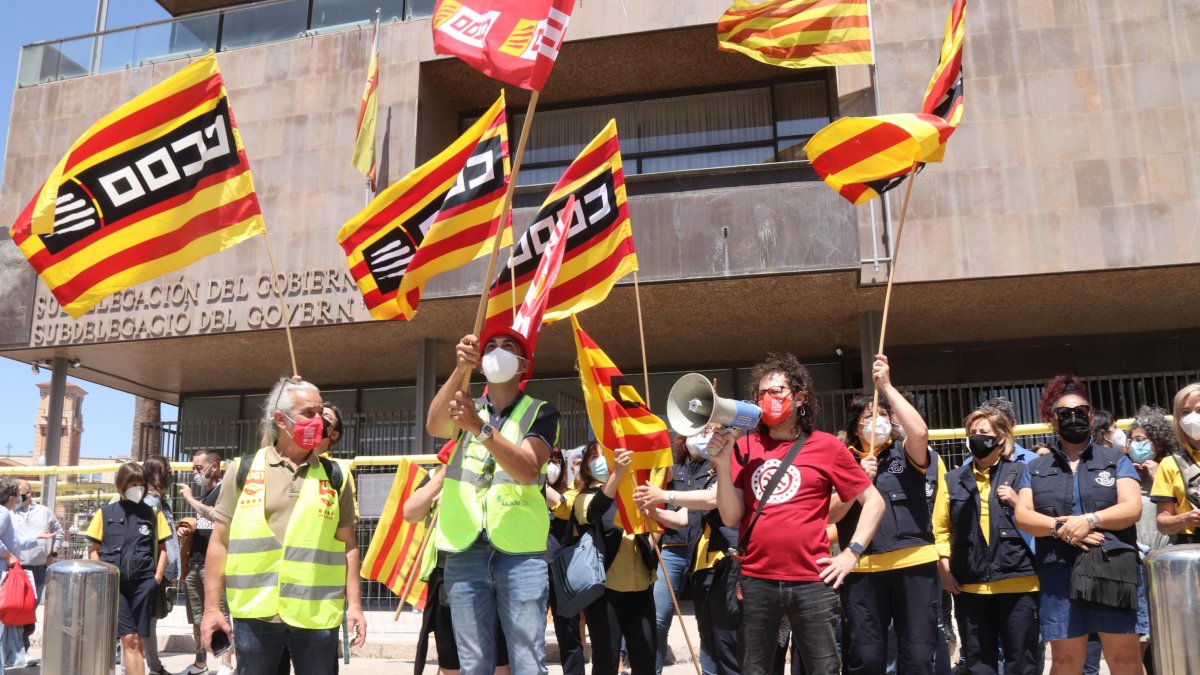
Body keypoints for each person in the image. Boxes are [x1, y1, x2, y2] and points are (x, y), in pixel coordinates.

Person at [709, 352, 885, 675]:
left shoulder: (827, 447)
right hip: (758, 581)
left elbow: (874, 501)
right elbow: (731, 516)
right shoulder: (745, 446)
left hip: (811, 581)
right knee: (756, 670)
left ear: (800, 397)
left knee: (824, 669)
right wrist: (722, 464)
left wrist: (851, 554)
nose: (767, 399)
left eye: (776, 392)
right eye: (761, 393)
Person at [201, 378, 366, 675]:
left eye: (321, 413)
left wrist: (354, 605)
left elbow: (348, 546)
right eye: (309, 413)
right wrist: (212, 609)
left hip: (316, 616)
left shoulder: (337, 475)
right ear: (281, 419)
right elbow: (219, 542)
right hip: (255, 615)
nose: (319, 421)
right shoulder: (243, 469)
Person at [428, 328, 561, 675]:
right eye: (490, 347)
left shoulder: (541, 412)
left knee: (528, 663)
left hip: (520, 555)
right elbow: (434, 424)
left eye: (507, 347)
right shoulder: (465, 407)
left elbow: (528, 469)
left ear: (523, 364)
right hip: (464, 549)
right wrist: (460, 370)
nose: (497, 351)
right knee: (473, 665)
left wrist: (480, 428)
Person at [1013, 375, 1145, 675]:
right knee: (1065, 663)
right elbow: (1023, 515)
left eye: (1080, 412)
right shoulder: (1034, 468)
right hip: (1060, 573)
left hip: (1114, 571)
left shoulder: (1115, 459)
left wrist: (1089, 520)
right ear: (1052, 420)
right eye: (1064, 413)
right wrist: (1061, 529)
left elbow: (1132, 507)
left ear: (1090, 415)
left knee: (1125, 661)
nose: (1073, 418)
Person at [832, 355, 945, 675]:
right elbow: (827, 514)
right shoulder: (840, 461)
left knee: (919, 657)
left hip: (914, 564)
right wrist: (857, 484)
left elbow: (921, 432)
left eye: (883, 415)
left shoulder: (906, 452)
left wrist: (887, 386)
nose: (877, 420)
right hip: (862, 569)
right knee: (865, 659)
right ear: (855, 425)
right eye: (869, 416)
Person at [933, 408, 1039, 675]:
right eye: (972, 433)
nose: (976, 438)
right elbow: (941, 528)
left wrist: (1017, 502)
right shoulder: (953, 479)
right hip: (971, 588)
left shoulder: (1024, 472)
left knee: (1022, 663)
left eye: (984, 433)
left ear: (1001, 438)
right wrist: (943, 567)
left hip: (1019, 584)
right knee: (980, 665)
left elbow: (1044, 520)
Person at [634, 429, 733, 675]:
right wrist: (653, 511)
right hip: (686, 554)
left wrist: (664, 495)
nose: (705, 436)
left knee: (717, 631)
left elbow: (710, 500)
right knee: (672, 622)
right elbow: (681, 517)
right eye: (700, 431)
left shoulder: (721, 469)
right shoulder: (677, 469)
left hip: (717, 558)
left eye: (711, 431)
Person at [573, 444, 658, 675]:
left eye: (606, 455)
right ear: (586, 467)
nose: (601, 460)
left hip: (641, 587)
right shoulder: (584, 497)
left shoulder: (633, 492)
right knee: (606, 662)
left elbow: (656, 518)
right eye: (594, 457)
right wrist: (616, 474)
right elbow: (593, 512)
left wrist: (652, 540)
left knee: (646, 659)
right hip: (604, 593)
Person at [86, 463, 172, 675]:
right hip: (116, 587)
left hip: (144, 585)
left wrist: (157, 578)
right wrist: (104, 577)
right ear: (121, 485)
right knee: (130, 639)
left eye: (141, 484)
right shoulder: (105, 513)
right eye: (132, 484)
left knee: (137, 641)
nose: (138, 488)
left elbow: (163, 550)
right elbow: (94, 550)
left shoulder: (153, 513)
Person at [175, 448, 234, 675]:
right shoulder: (206, 495)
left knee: (220, 614)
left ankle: (226, 665)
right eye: (193, 468)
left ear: (214, 467)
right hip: (195, 563)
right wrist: (186, 531)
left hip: (215, 566)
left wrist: (190, 499)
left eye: (199, 468)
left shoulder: (224, 492)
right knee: (197, 619)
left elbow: (216, 516)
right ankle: (200, 664)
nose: (195, 472)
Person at [544, 446, 585, 675]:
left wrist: (540, 484)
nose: (552, 465)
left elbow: (566, 507)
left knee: (569, 636)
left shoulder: (570, 492)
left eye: (556, 460)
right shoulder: (528, 494)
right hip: (535, 569)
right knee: (529, 636)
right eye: (547, 460)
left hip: (563, 571)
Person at [11, 479, 64, 651]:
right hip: (15, 569)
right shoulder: (8, 512)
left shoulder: (44, 512)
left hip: (37, 569)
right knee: (14, 607)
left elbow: (59, 532)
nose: (16, 497)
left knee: (29, 608)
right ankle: (18, 648)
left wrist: (53, 553)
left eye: (20, 493)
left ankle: (21, 647)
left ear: (29, 493)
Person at [141, 455, 182, 675]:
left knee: (149, 622)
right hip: (154, 570)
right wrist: (161, 572)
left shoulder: (157, 500)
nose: (170, 475)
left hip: (156, 570)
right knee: (148, 623)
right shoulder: (152, 502)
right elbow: (157, 541)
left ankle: (153, 667)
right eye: (167, 470)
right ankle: (153, 667)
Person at [1151, 382, 1200, 543]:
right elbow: (1163, 523)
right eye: (1186, 412)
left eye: (1199, 410)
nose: (1193, 417)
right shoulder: (1170, 464)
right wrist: (1187, 518)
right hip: (1190, 547)